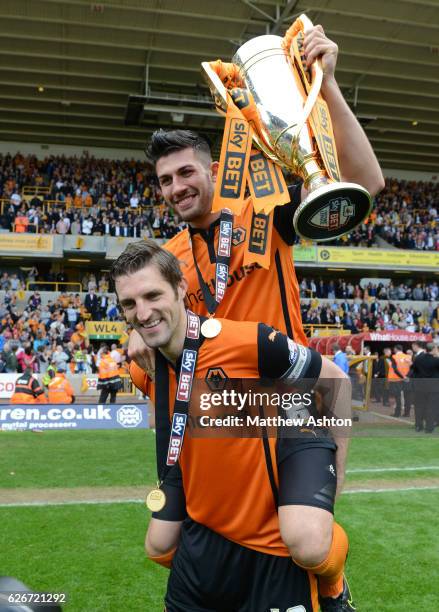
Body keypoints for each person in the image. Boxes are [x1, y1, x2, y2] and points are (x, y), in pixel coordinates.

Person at [113, 240, 354, 612]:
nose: (142, 313)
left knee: (306, 542)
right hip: (199, 464)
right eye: (129, 304)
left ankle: (332, 581)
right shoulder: (141, 368)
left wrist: (337, 477)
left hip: (293, 431)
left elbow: (335, 380)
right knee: (158, 545)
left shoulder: (247, 342)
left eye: (152, 295)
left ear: (180, 289)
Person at [410, 342, 439, 433]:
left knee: (419, 407)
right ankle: (429, 428)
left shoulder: (418, 358)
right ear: (434, 349)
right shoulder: (436, 360)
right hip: (433, 388)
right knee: (431, 407)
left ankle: (418, 426)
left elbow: (413, 371)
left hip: (420, 386)